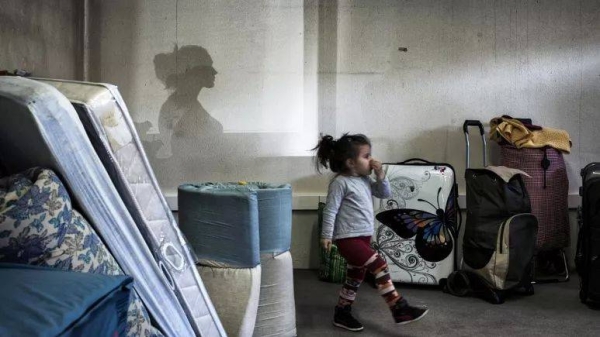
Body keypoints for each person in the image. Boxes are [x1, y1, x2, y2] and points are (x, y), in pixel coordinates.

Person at [313, 133, 429, 332]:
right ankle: (399, 307)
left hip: (363, 237)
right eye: (366, 156)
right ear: (350, 162)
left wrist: (381, 176)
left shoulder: (364, 180)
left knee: (355, 276)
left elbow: (384, 193)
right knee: (379, 264)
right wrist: (326, 235)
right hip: (347, 239)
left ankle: (342, 312)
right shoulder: (340, 183)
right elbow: (331, 209)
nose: (372, 160)